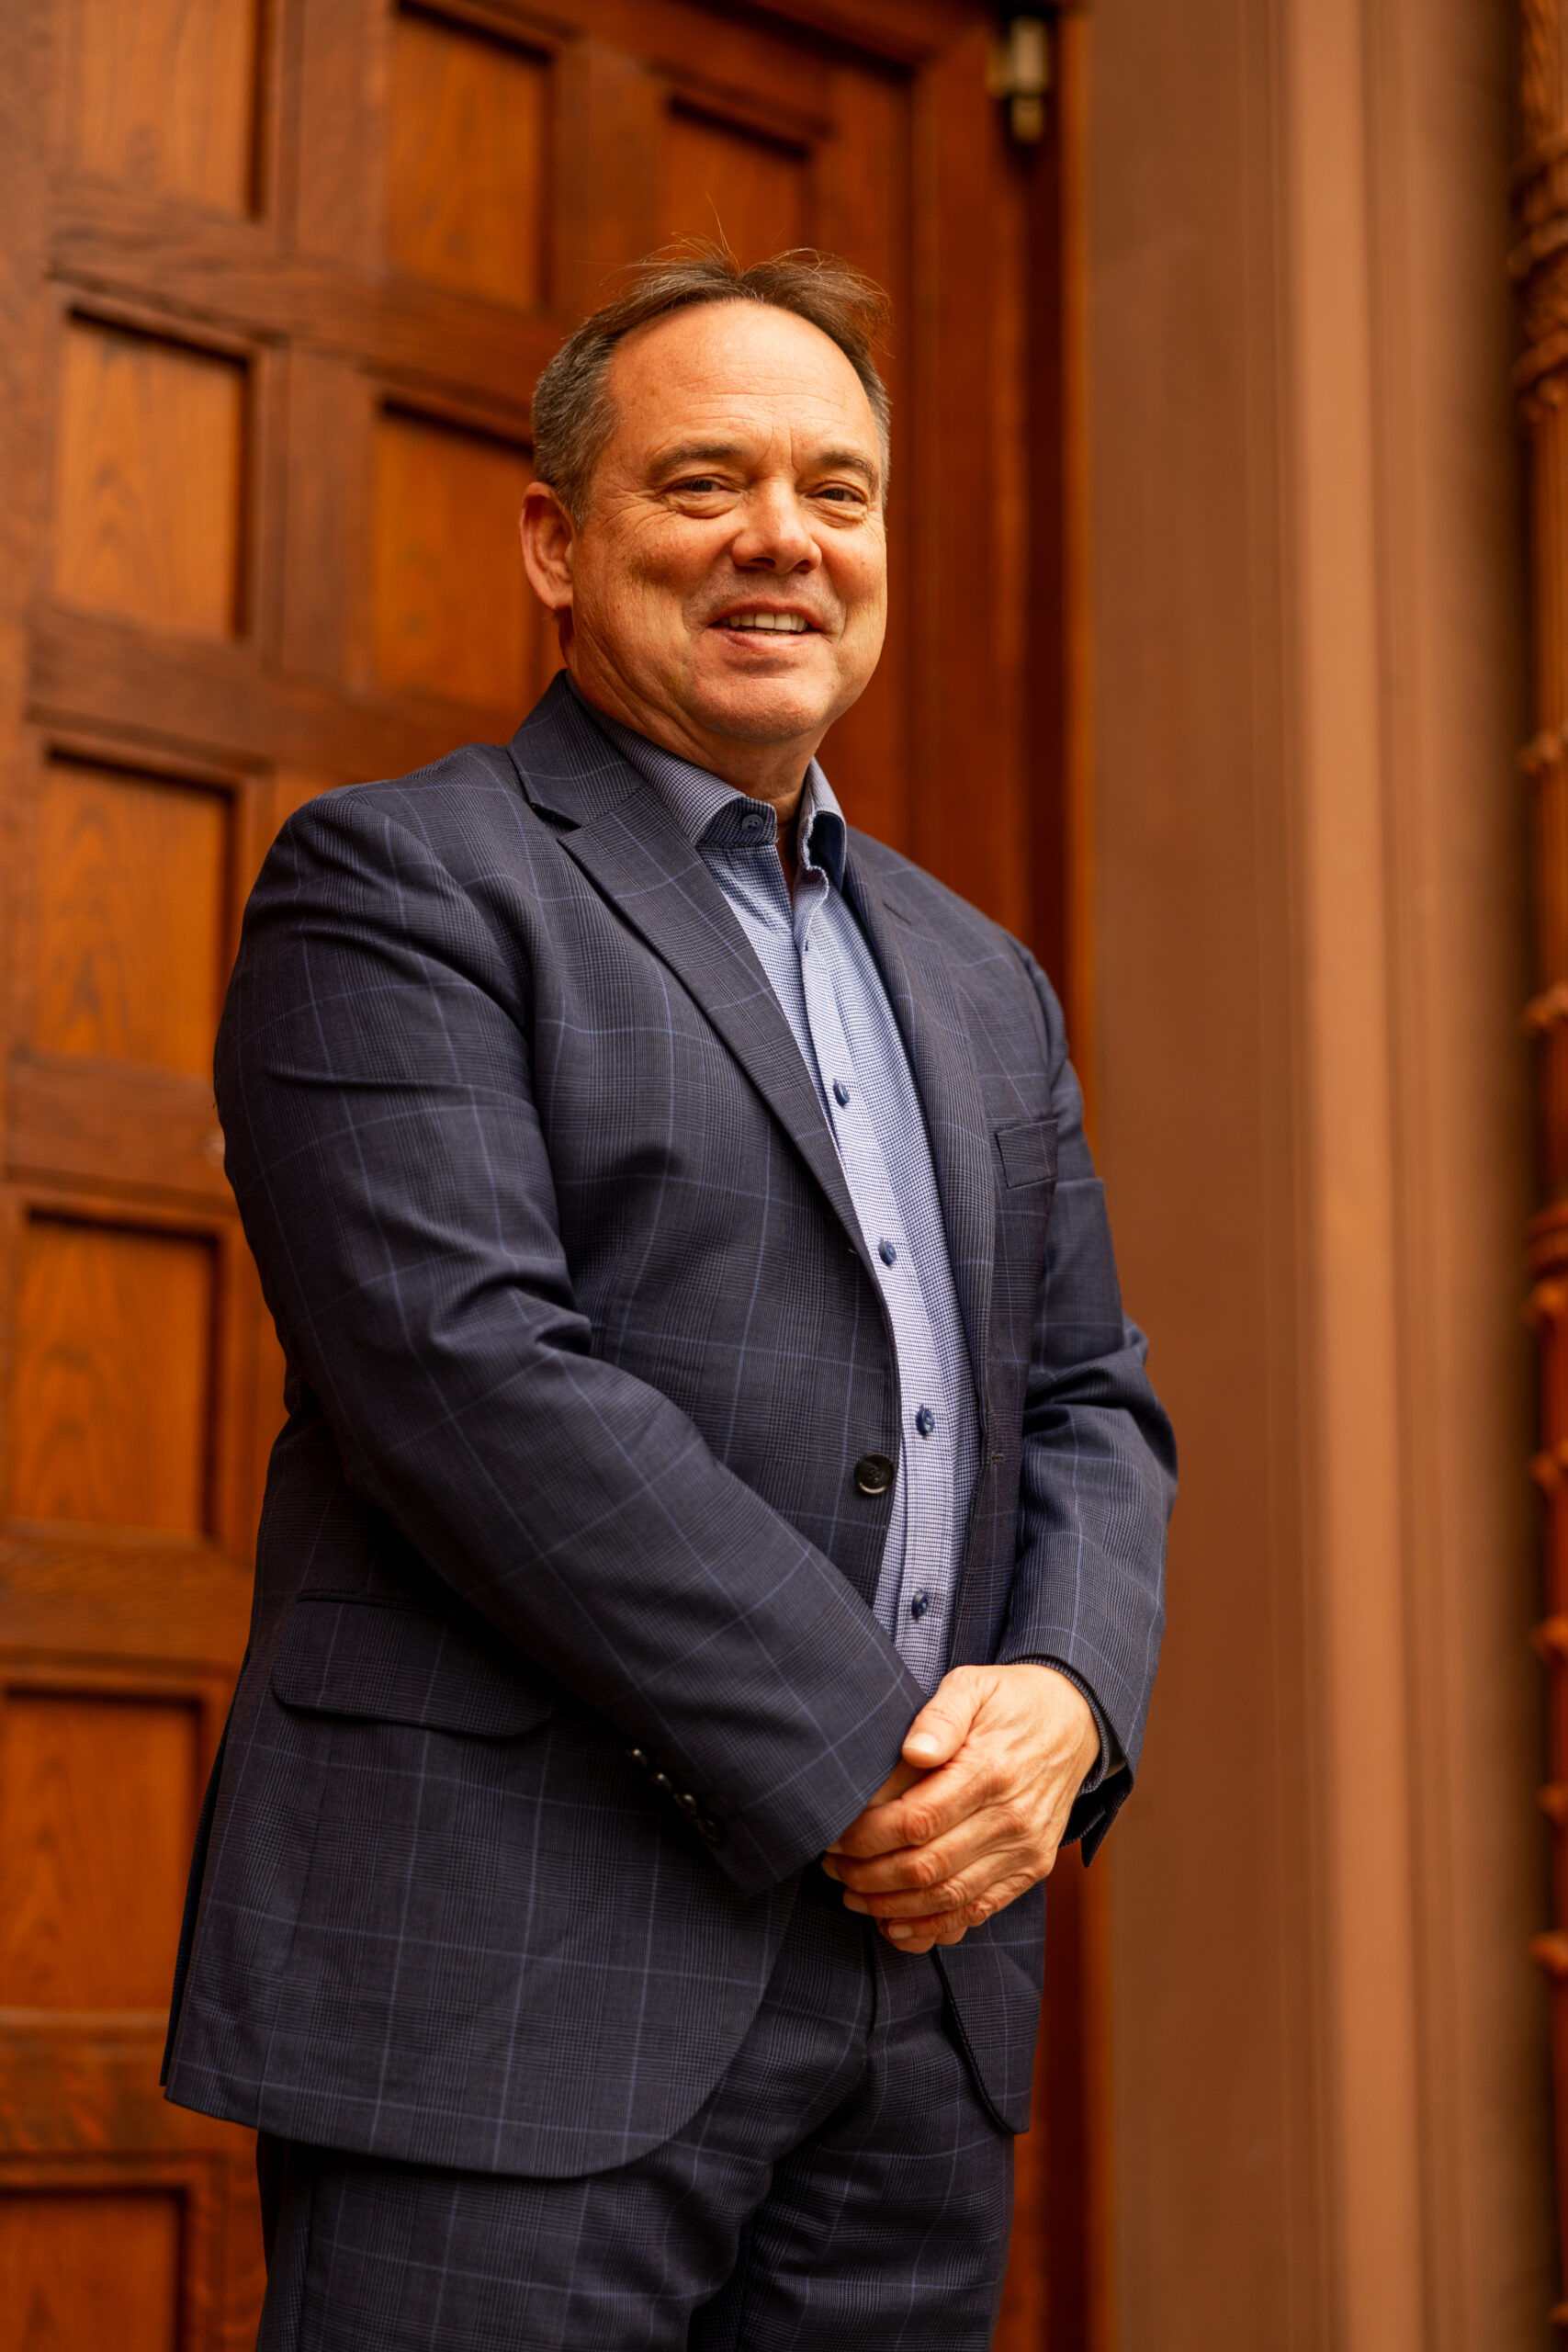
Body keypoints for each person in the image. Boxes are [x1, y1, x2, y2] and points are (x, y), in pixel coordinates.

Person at [163, 243, 1175, 2352]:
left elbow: (1087, 1393)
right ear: (556, 537)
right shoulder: (396, 886)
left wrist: (1065, 1701)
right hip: (512, 1989)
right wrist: (877, 1762)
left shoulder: (981, 978)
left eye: (837, 489)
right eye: (703, 480)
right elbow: (466, 1378)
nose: (781, 540)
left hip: (914, 2019)